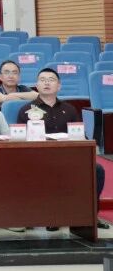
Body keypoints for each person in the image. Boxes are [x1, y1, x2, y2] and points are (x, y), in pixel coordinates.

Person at [16, 68, 112, 229]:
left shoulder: (69, 109)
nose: (47, 83)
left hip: (67, 157)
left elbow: (78, 134)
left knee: (97, 169)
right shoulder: (26, 110)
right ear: (36, 86)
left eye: (51, 79)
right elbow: (19, 139)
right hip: (38, 158)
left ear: (59, 86)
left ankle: (89, 215)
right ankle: (54, 216)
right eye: (42, 80)